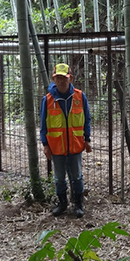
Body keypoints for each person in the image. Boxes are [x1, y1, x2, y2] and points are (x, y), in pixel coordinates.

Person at [40, 63, 92, 218]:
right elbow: (43, 124)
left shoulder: (80, 96)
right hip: (56, 146)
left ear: (71, 78)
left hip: (76, 144)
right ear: (53, 79)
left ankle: (78, 204)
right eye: (58, 78)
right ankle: (62, 203)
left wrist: (87, 139)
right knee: (59, 178)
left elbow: (87, 120)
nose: (61, 81)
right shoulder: (47, 100)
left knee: (77, 176)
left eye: (64, 78)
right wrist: (45, 144)